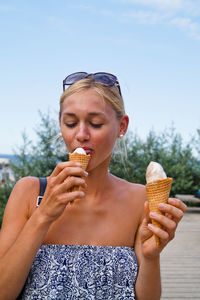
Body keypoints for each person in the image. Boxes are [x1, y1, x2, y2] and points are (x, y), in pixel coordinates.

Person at [0, 72, 187, 300]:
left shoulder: (141, 201)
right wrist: (43, 216)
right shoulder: (29, 193)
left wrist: (150, 257)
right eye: (70, 123)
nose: (81, 135)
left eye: (95, 123)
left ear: (122, 126)